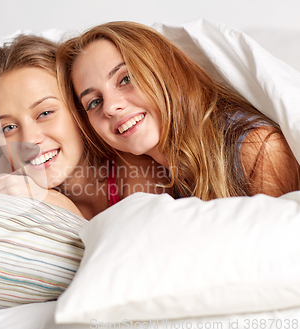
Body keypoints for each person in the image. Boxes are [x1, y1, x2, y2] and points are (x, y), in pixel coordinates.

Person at [56, 21, 300, 200]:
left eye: (126, 78)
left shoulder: (257, 149)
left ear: (165, 71)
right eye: (94, 102)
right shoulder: (144, 176)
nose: (110, 107)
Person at [0, 35, 168, 219]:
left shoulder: (137, 172)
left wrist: (62, 209)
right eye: (8, 128)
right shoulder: (5, 195)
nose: (28, 140)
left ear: (79, 109)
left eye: (45, 113)